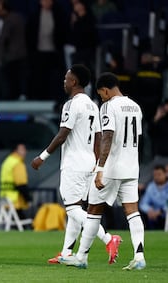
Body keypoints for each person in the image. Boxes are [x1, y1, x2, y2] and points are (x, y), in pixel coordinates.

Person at [31, 65, 121, 265]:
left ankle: (108, 238)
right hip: (88, 163)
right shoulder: (92, 104)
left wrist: (42, 157)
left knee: (72, 209)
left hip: (74, 163)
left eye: (66, 78)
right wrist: (97, 165)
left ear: (74, 81)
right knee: (77, 208)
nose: (64, 82)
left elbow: (63, 134)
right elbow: (99, 139)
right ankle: (66, 253)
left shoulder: (72, 105)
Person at [59, 72, 146, 270]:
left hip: (111, 168)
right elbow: (139, 139)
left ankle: (81, 257)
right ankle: (139, 255)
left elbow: (107, 137)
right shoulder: (136, 107)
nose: (102, 98)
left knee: (93, 211)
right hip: (132, 167)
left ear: (105, 90)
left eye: (101, 94)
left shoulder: (108, 106)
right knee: (132, 212)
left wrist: (100, 168)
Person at [0, 143, 32, 218]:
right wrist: (29, 199)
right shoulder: (17, 163)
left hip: (4, 197)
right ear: (15, 151)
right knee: (22, 221)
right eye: (22, 149)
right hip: (14, 199)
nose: (25, 152)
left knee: (15, 220)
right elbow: (21, 184)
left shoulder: (7, 161)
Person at [139, 165, 168, 229]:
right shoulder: (151, 187)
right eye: (155, 175)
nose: (157, 177)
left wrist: (161, 211)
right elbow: (143, 203)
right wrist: (149, 210)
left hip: (165, 214)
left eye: (159, 174)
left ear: (165, 174)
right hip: (153, 215)